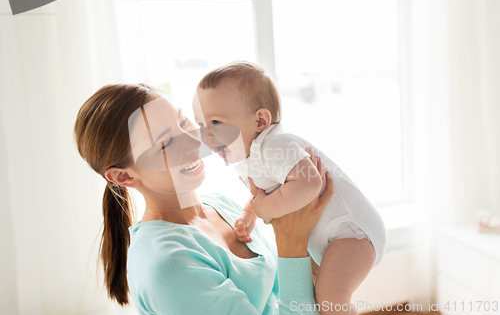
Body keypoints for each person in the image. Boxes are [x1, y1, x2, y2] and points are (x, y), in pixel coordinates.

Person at [73, 83, 334, 315]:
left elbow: (282, 292)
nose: (194, 141)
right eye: (166, 143)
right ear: (123, 176)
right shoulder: (169, 267)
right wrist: (291, 240)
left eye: (184, 121)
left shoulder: (219, 205)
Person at [193, 61, 387, 315]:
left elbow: (309, 183)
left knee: (331, 298)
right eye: (200, 125)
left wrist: (264, 207)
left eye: (216, 122)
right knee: (313, 293)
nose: (206, 135)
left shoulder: (277, 146)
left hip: (353, 233)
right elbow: (268, 192)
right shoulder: (251, 158)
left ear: (261, 120)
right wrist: (250, 213)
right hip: (330, 237)